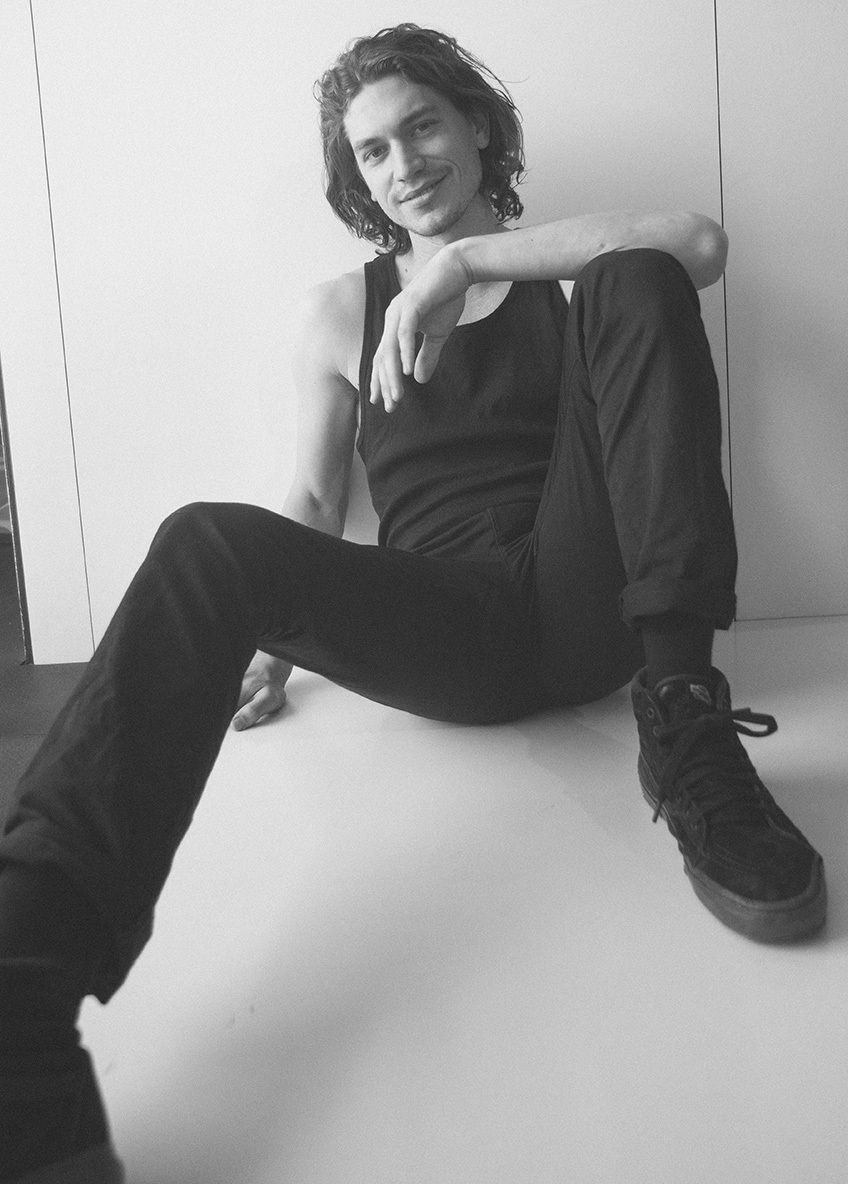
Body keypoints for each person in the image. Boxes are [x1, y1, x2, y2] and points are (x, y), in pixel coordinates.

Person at [0, 22, 826, 1182]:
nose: (402, 166)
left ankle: (686, 719)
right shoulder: (337, 311)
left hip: (593, 600)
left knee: (637, 272)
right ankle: (22, 985)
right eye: (372, 152)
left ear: (475, 126)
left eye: (421, 127)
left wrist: (471, 262)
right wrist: (266, 642)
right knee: (201, 538)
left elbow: (697, 242)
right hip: (447, 627)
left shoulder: (564, 269)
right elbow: (308, 495)